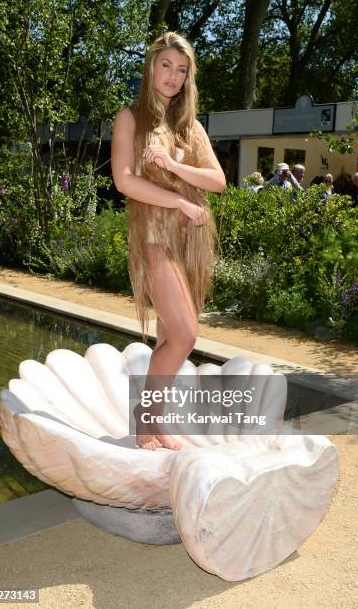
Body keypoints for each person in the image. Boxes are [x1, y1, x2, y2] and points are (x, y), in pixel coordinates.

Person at [111, 32, 226, 451]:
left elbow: (218, 181)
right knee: (183, 335)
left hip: (190, 238)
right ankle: (146, 420)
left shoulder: (190, 127)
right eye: (166, 66)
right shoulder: (130, 118)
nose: (173, 77)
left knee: (167, 337)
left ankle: (155, 424)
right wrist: (179, 200)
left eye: (182, 70)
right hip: (155, 235)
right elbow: (125, 180)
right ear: (150, 66)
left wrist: (178, 164)